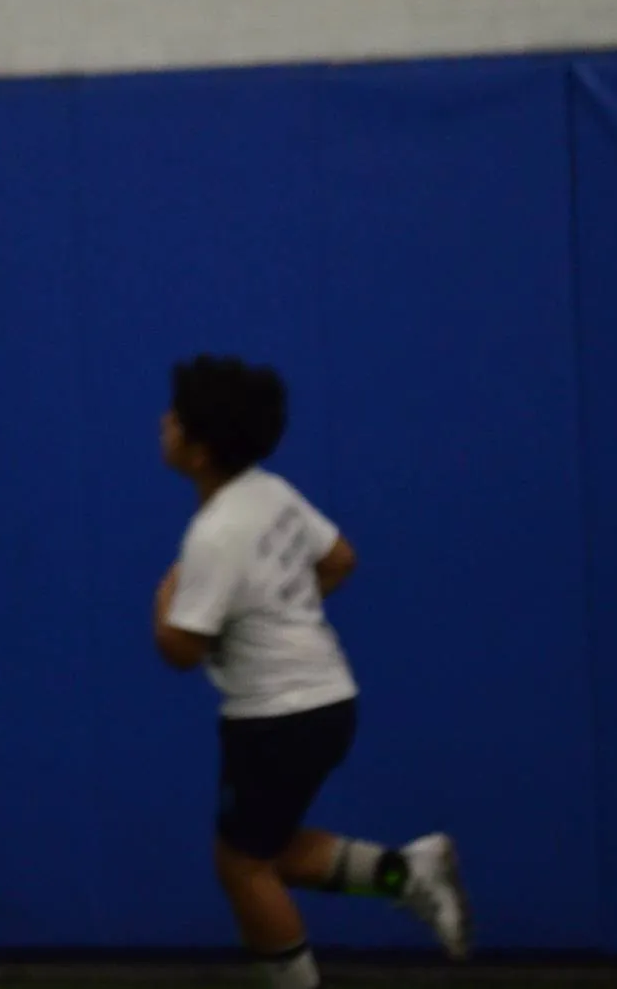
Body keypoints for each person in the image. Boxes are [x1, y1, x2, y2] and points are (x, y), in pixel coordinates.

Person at [153, 355, 473, 989]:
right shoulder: (271, 492)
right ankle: (407, 873)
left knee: (243, 868)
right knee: (263, 851)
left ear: (197, 449)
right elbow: (340, 559)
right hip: (329, 703)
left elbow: (182, 648)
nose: (164, 422)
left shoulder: (213, 534)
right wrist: (280, 612)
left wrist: (165, 601)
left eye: (176, 417)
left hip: (277, 720)